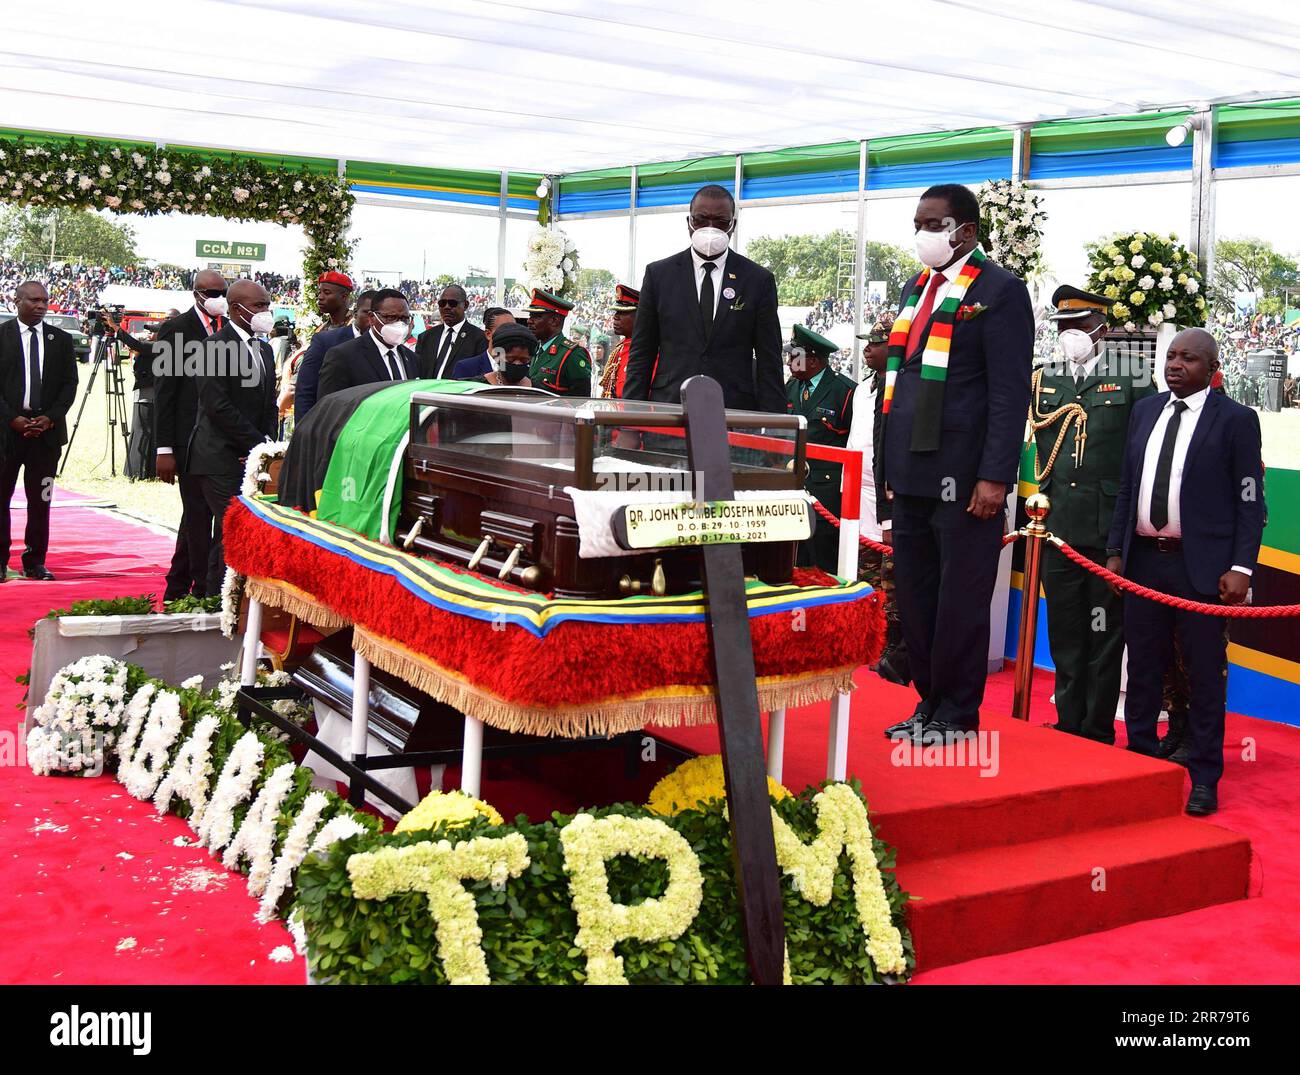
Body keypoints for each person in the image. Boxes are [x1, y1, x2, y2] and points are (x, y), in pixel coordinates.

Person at [880, 183, 1034, 743]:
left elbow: (1009, 392)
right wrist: (888, 475)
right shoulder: (916, 287)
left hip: (967, 477)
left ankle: (958, 711)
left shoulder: (1000, 290)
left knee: (959, 598)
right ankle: (928, 702)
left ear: (965, 231)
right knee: (917, 597)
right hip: (912, 470)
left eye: (932, 223)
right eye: (917, 223)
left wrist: (995, 476)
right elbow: (896, 384)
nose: (922, 233)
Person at [1106, 328, 1265, 817]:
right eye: (1171, 357)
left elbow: (1249, 498)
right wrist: (1116, 550)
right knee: (1144, 666)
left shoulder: (1236, 420)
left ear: (1211, 366)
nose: (1175, 365)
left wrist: (1241, 566)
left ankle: (1203, 777)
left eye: (1188, 358)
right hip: (1142, 562)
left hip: (1203, 569)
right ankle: (1140, 762)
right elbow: (1128, 486)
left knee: (1202, 676)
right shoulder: (1145, 412)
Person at [1032, 285, 1158, 745]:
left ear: (1102, 328)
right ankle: (1068, 723)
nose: (1069, 334)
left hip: (1107, 530)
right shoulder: (1044, 376)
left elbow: (1145, 452)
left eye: (1078, 325)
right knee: (1064, 627)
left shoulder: (1133, 375)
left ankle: (1097, 728)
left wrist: (1124, 537)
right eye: (1063, 326)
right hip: (1057, 524)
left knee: (1105, 633)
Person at [623, 184, 782, 412]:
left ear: (733, 225)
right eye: (701, 219)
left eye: (720, 221)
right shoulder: (659, 275)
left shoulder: (757, 280)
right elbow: (641, 354)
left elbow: (770, 361)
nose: (710, 228)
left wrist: (774, 431)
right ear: (689, 222)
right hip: (670, 409)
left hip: (734, 413)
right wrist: (631, 420)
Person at [183, 279, 278, 596]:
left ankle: (229, 603)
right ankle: (214, 600)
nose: (266, 312)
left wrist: (265, 449)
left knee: (240, 534)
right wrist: (254, 445)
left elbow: (269, 404)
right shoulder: (213, 347)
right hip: (218, 457)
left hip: (251, 456)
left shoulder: (263, 349)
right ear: (236, 309)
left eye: (267, 304)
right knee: (230, 533)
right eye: (259, 306)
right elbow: (217, 405)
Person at [145, 269, 230, 599]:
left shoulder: (228, 329)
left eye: (222, 291)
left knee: (196, 515)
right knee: (197, 516)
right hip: (185, 440)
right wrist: (163, 448)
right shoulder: (176, 329)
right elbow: (164, 392)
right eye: (211, 292)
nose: (218, 298)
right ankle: (197, 587)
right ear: (195, 294)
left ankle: (178, 586)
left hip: (218, 442)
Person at [0, 281, 78, 581]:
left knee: (40, 500)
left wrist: (51, 418)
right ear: (16, 301)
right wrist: (12, 419)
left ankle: (35, 561)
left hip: (45, 435)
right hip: (6, 435)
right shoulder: (3, 336)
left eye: (45, 301)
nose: (41, 306)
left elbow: (69, 384)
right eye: (34, 300)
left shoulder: (60, 339)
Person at [850, 316, 908, 686]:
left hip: (889, 494)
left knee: (894, 580)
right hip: (859, 490)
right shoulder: (860, 390)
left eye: (875, 343)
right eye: (866, 342)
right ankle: (866, 639)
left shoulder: (901, 387)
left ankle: (893, 647)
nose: (867, 349)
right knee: (863, 573)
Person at [784, 325, 855, 573]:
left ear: (812, 360)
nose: (789, 361)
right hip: (793, 488)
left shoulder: (845, 391)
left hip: (826, 493)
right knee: (795, 559)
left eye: (794, 356)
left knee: (825, 561)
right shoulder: (791, 387)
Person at [317, 289, 419, 400]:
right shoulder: (342, 357)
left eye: (404, 319)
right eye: (390, 317)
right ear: (371, 318)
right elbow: (330, 407)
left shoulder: (413, 359)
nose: (398, 324)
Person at [292, 271, 355, 423]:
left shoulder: (355, 328)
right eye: (319, 292)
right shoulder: (321, 329)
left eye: (327, 292)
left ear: (344, 297)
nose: (320, 297)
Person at [526, 290, 591, 396]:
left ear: (554, 321)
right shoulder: (534, 348)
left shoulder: (572, 355)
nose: (529, 321)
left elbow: (581, 400)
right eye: (530, 315)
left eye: (537, 316)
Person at [416, 284, 487, 379]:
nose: (446, 307)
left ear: (465, 305)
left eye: (452, 303)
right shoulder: (426, 337)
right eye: (442, 303)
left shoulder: (479, 338)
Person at [598, 284, 639, 398]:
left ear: (640, 316)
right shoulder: (620, 348)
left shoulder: (649, 351)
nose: (615, 317)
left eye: (623, 312)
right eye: (616, 312)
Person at [452, 308, 515, 379]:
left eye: (514, 329)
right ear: (488, 334)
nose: (510, 334)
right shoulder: (466, 367)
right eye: (504, 330)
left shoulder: (519, 367)